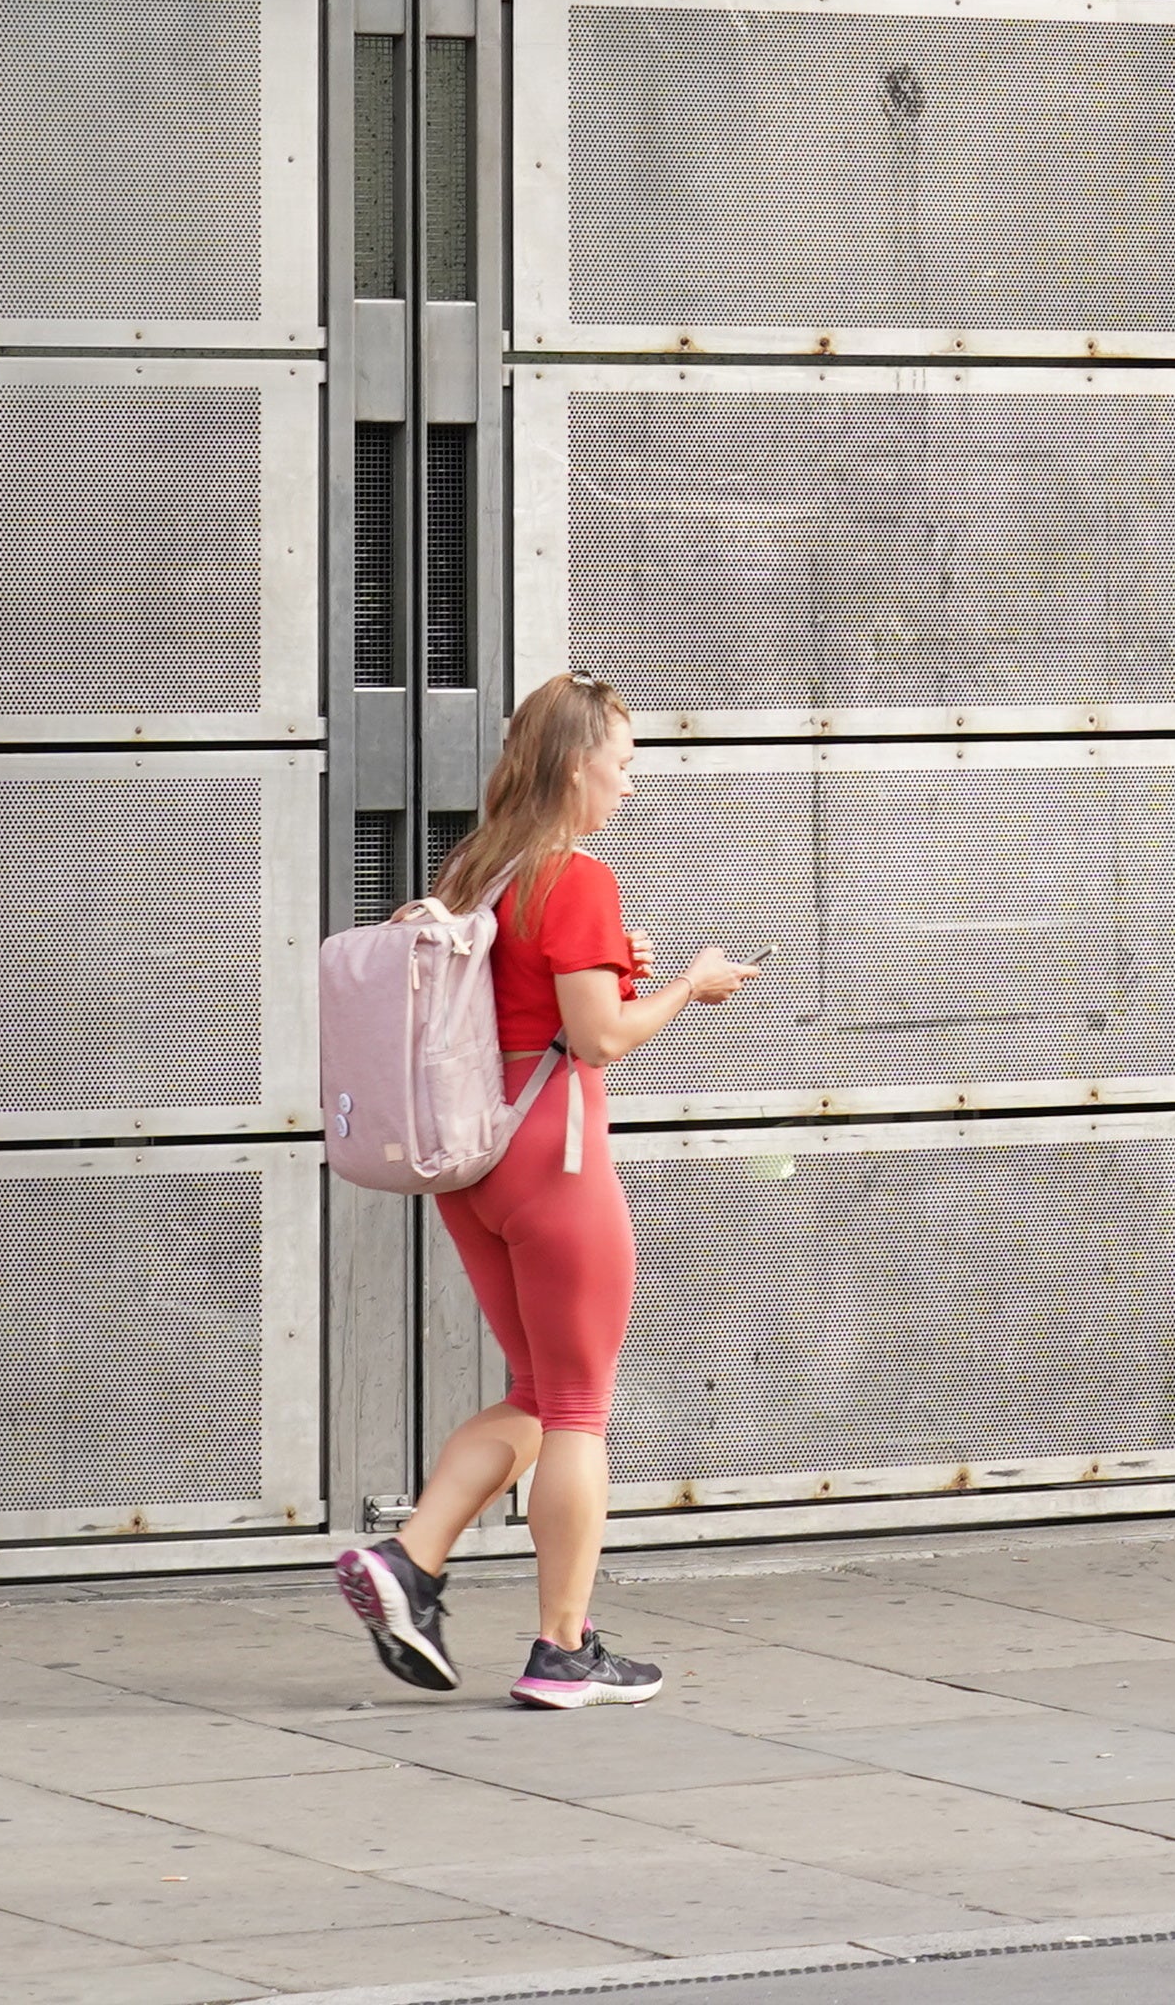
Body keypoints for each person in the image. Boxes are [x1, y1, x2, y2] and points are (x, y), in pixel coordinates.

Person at [327, 672, 760, 1707]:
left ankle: (411, 1558)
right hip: (554, 1160)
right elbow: (598, 1037)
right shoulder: (576, 875)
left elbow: (529, 989)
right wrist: (686, 988)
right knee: (576, 1409)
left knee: (532, 1394)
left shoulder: (479, 866)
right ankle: (563, 1648)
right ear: (576, 763)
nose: (627, 781)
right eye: (621, 760)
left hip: (474, 1167)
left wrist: (615, 964)